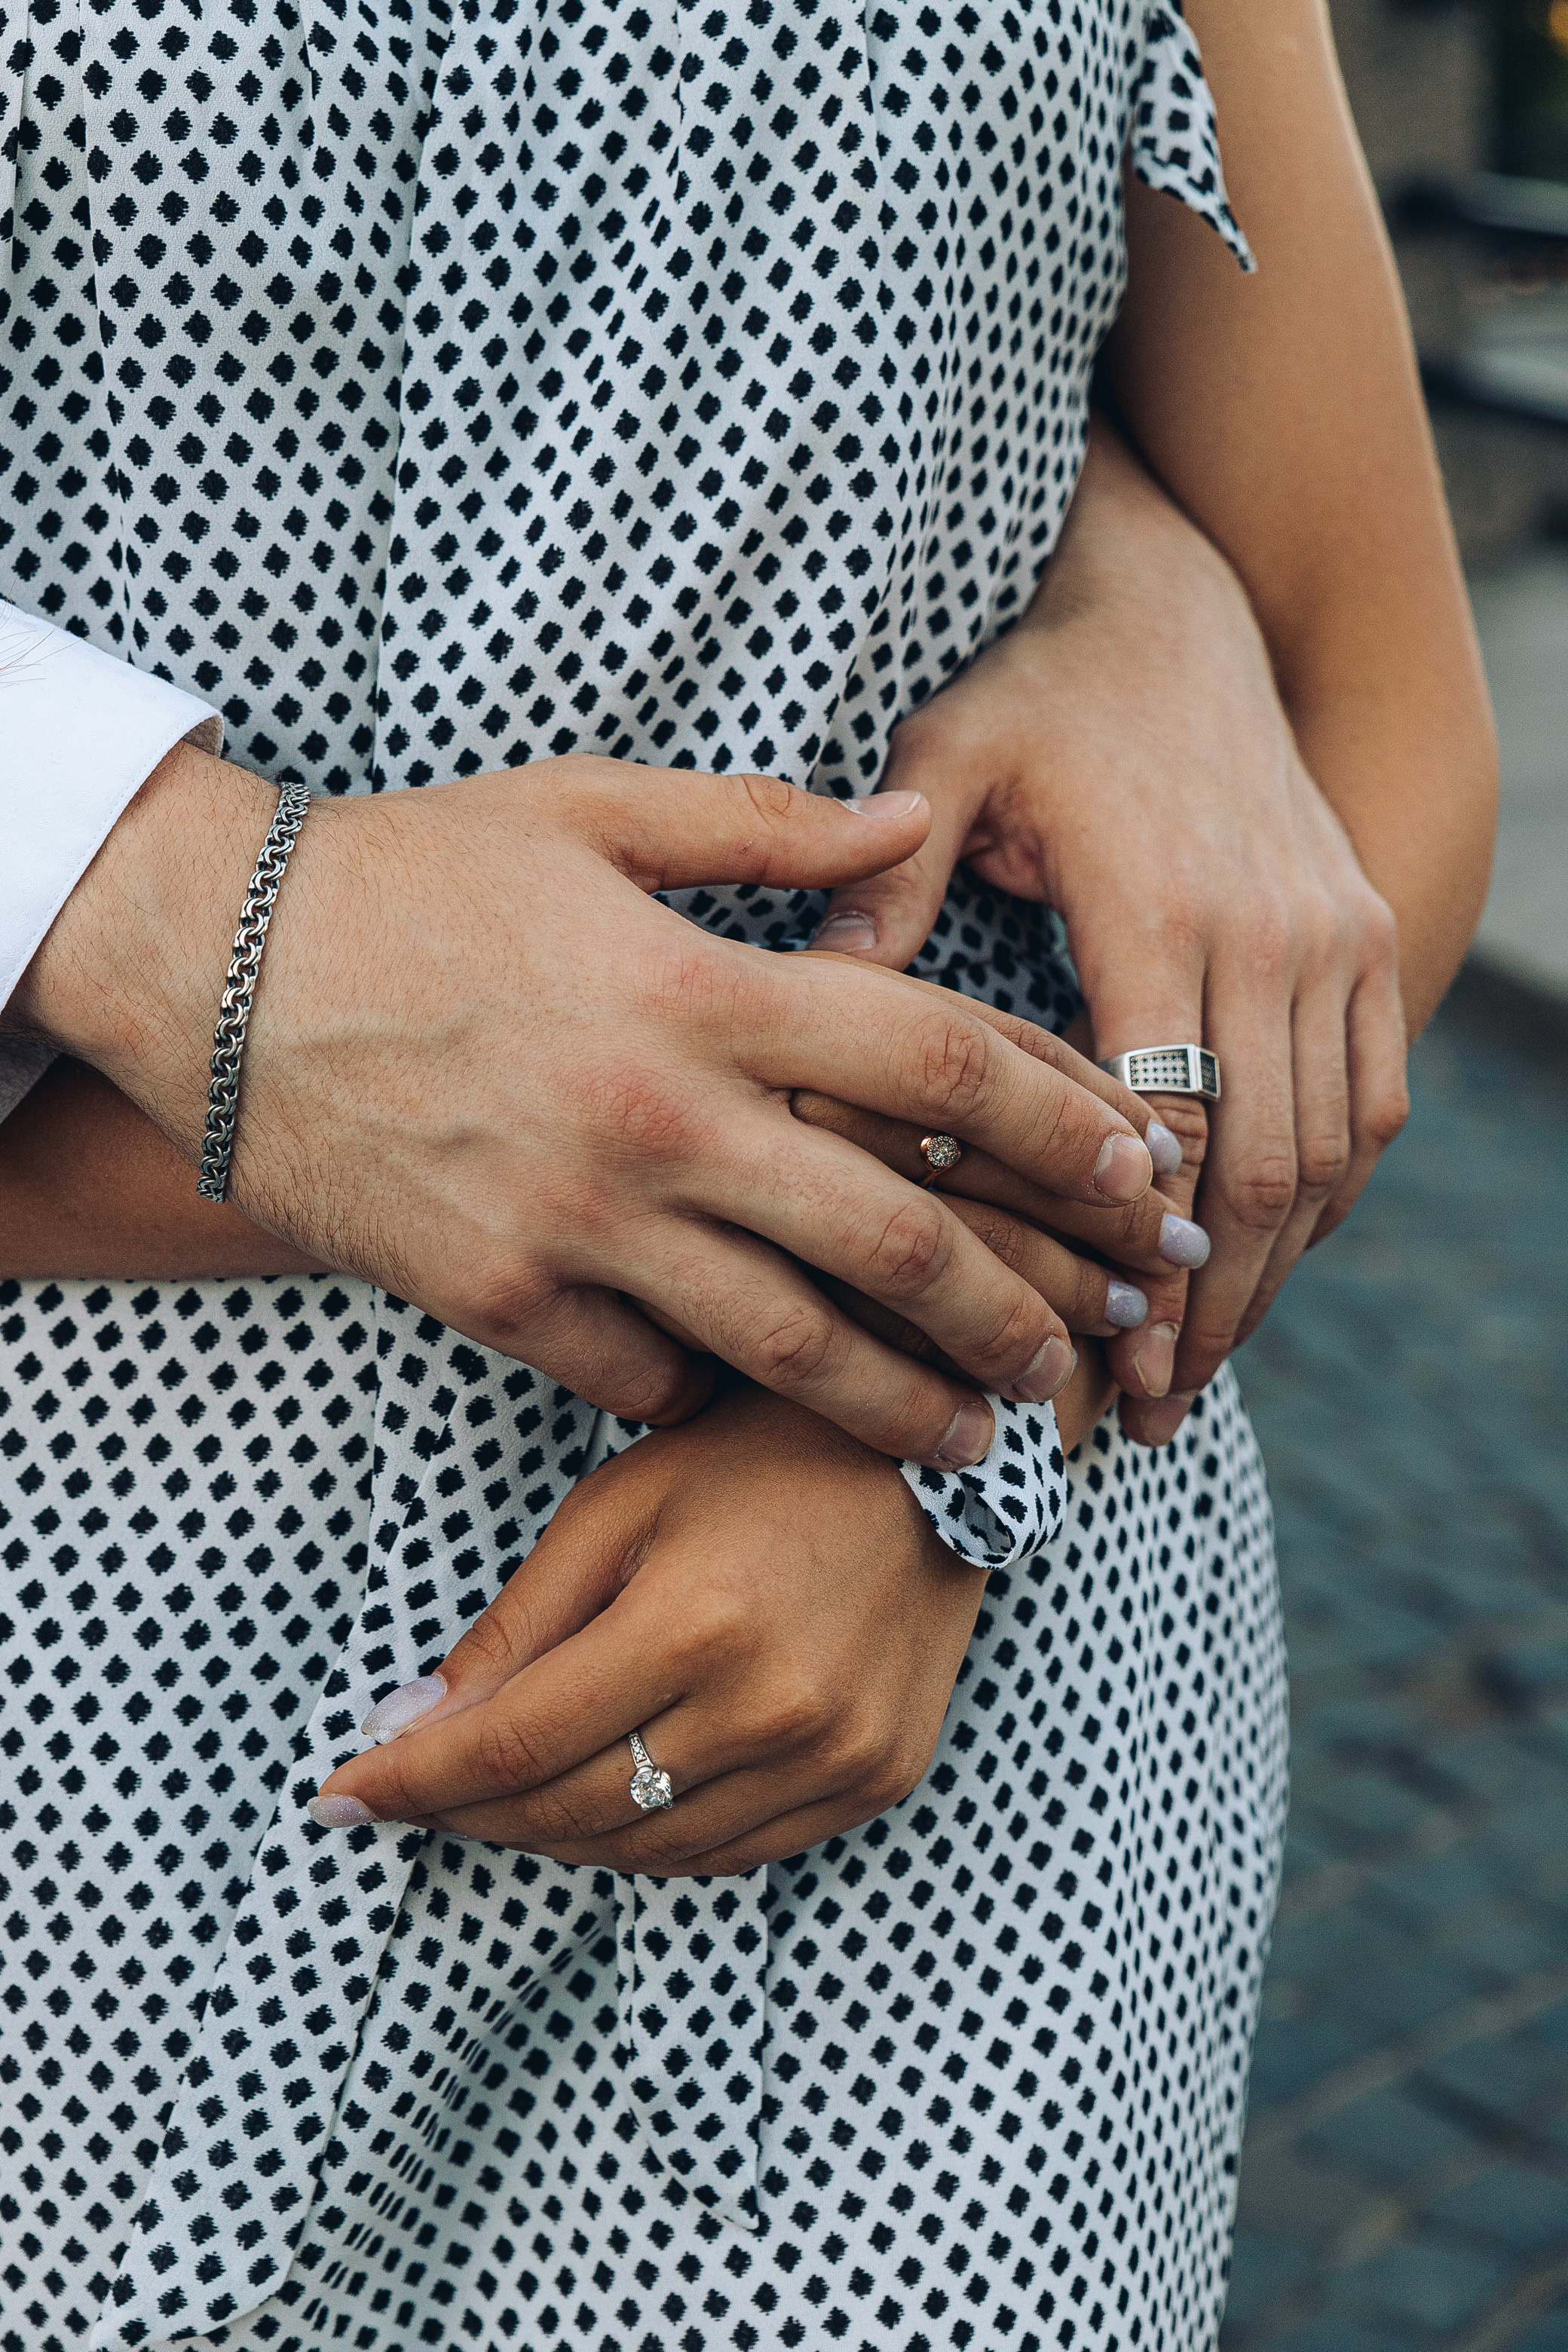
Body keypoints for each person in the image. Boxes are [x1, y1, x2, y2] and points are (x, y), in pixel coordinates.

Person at [0, 0, 1494, 2344]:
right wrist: (208, 947)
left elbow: (1376, 716)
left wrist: (953, 1396)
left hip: (931, 1752)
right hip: (78, 1674)